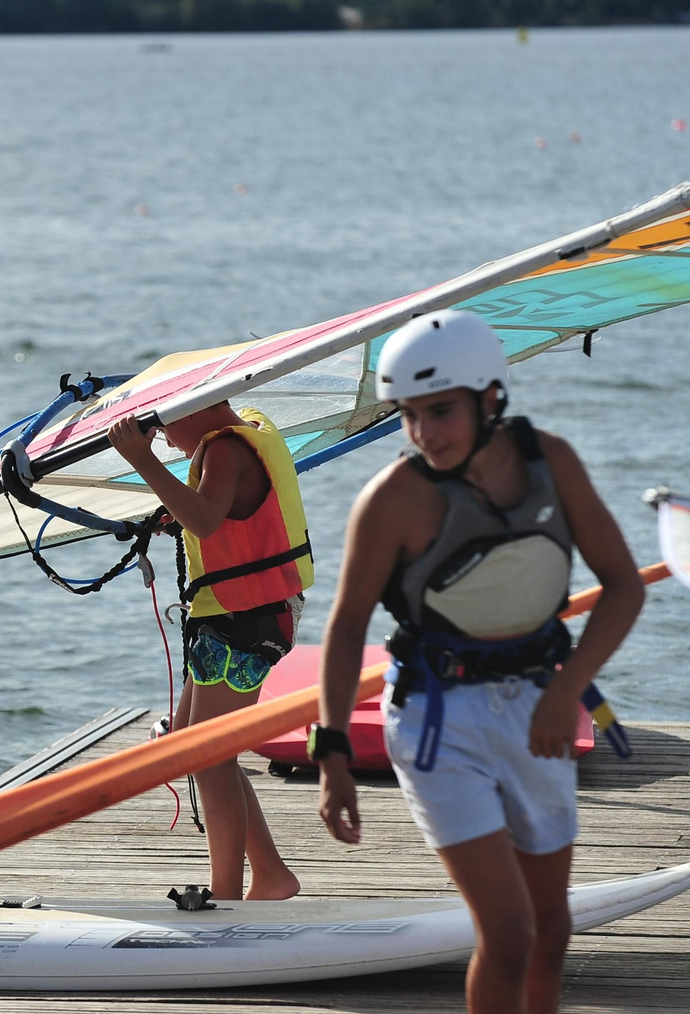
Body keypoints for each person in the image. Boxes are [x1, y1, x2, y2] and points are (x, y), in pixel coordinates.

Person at [313, 310, 644, 1014]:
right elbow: (346, 627)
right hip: (438, 721)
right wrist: (331, 750)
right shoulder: (392, 500)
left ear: (491, 397)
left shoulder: (551, 462)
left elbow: (623, 585)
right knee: (511, 931)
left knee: (551, 929)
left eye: (440, 410)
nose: (423, 432)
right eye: (407, 414)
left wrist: (568, 692)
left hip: (537, 706)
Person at [108, 402, 311, 901]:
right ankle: (270, 873)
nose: (162, 437)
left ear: (193, 410)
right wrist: (170, 513)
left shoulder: (224, 447)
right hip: (230, 615)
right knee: (192, 745)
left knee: (209, 753)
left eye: (161, 425)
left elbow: (203, 517)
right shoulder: (249, 427)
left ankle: (224, 897)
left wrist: (142, 459)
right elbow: (216, 514)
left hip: (249, 619)